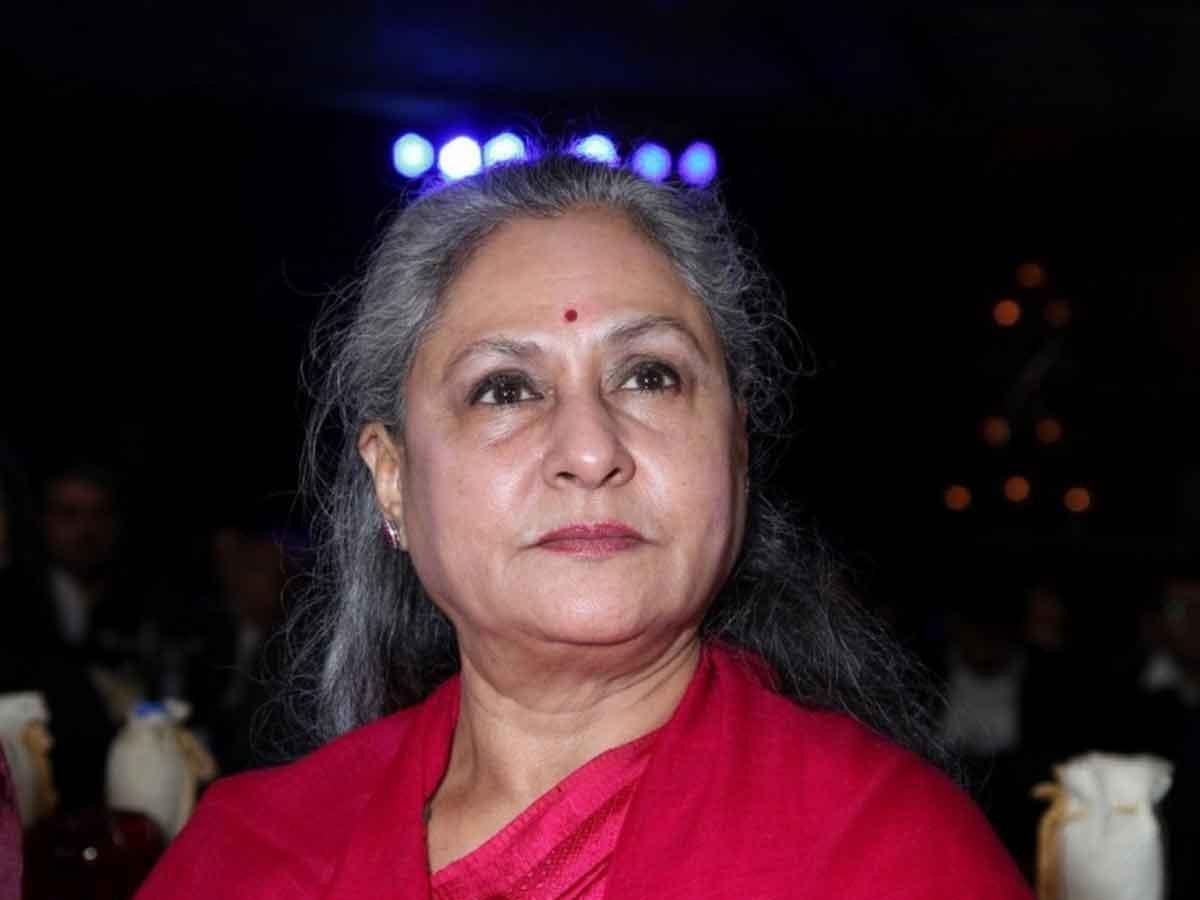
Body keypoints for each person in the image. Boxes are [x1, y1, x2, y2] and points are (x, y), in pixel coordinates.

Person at [137, 150, 1031, 898]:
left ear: (737, 449)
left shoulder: (890, 852)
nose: (591, 450)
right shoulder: (251, 859)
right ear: (393, 481)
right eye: (504, 390)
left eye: (649, 376)